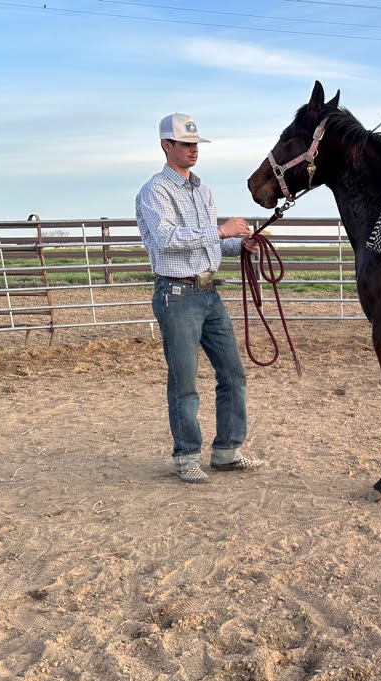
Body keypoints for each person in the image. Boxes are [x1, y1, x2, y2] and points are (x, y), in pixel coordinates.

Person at [136, 112, 264, 483]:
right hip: (176, 294)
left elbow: (208, 244)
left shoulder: (202, 191)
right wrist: (221, 230)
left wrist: (239, 244)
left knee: (233, 373)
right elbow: (167, 240)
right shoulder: (154, 192)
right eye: (185, 144)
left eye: (195, 144)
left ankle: (227, 450)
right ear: (166, 146)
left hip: (209, 293)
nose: (193, 150)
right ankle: (186, 456)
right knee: (185, 381)